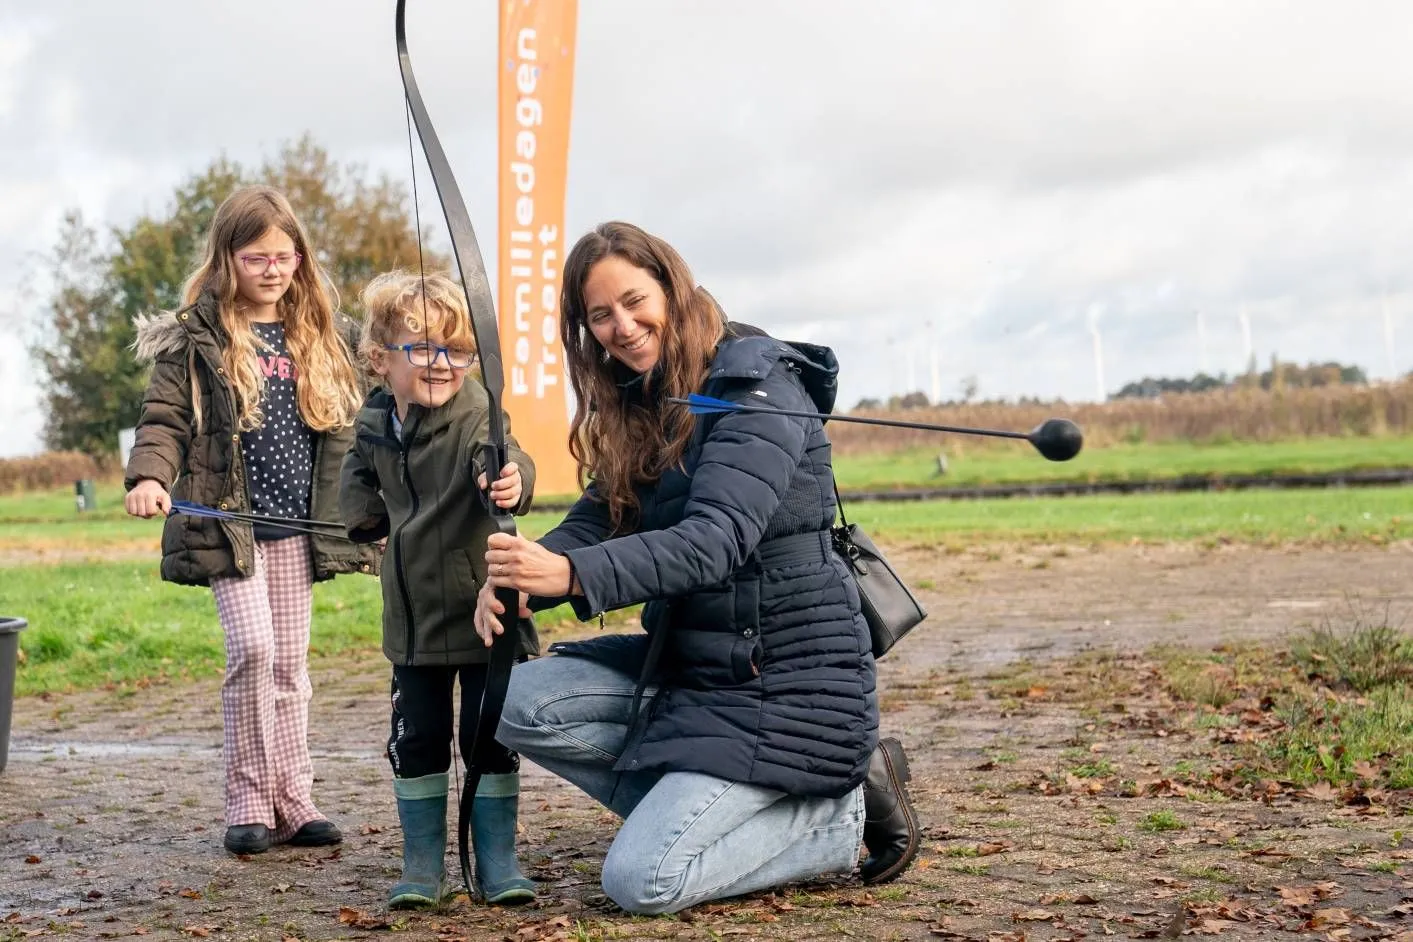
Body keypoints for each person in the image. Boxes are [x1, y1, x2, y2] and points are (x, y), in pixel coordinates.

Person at [473, 221, 922, 915]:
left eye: (633, 300)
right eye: (600, 315)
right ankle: (703, 818)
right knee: (509, 698)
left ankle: (838, 818)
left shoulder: (755, 386)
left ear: (671, 288)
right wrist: (530, 569)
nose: (621, 326)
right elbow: (605, 510)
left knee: (642, 882)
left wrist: (571, 578)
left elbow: (714, 540)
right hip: (693, 666)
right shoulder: (644, 396)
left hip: (784, 678)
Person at [124, 185, 379, 856]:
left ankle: (294, 800)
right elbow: (164, 419)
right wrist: (150, 475)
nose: (272, 269)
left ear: (300, 258)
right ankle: (247, 799)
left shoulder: (323, 336)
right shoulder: (197, 339)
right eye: (255, 256)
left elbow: (367, 419)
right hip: (229, 526)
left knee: (291, 665)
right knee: (253, 652)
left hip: (297, 526)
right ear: (226, 258)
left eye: (284, 255)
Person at [339, 270, 540, 908]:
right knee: (418, 736)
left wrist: (510, 479)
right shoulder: (373, 422)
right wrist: (362, 514)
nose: (444, 363)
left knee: (489, 735)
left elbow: (505, 453)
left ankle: (498, 860)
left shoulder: (476, 411)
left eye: (458, 350)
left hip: (486, 614)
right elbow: (355, 470)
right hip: (412, 617)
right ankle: (422, 865)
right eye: (423, 349)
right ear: (379, 360)